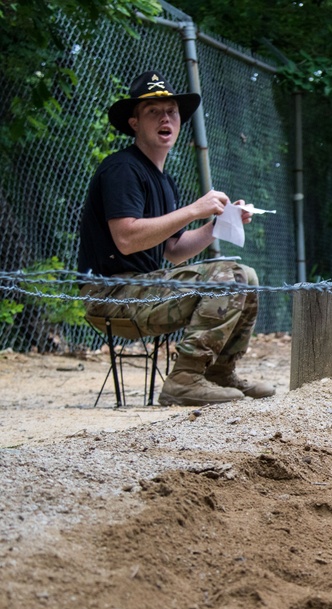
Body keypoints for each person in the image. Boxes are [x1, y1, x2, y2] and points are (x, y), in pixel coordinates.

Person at [78, 71, 275, 406]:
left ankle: (217, 374)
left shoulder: (164, 180)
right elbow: (126, 239)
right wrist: (193, 211)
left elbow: (174, 252)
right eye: (153, 111)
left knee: (248, 277)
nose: (165, 117)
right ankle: (184, 380)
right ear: (134, 123)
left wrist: (217, 224)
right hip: (109, 293)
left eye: (171, 111)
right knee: (231, 276)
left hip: (145, 287)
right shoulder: (122, 169)